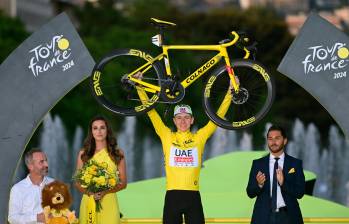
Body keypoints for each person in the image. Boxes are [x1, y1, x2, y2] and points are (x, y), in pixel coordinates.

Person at [136, 74, 232, 224]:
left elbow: (218, 117)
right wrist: (139, 86)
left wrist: (230, 92)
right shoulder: (167, 135)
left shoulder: (199, 137)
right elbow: (151, 112)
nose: (183, 121)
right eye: (179, 117)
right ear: (174, 121)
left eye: (186, 117)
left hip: (193, 196)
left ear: (192, 120)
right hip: (172, 196)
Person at [246, 125, 305, 224]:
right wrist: (259, 185)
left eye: (277, 138)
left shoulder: (295, 163)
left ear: (285, 141)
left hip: (288, 217)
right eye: (270, 139)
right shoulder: (258, 163)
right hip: (262, 217)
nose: (273, 142)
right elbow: (250, 193)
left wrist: (283, 183)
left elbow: (300, 192)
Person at [75, 115, 127, 224]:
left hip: (109, 202)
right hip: (89, 202)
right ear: (91, 132)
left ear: (107, 130)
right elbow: (77, 183)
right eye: (95, 128)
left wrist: (105, 191)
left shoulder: (118, 153)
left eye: (102, 127)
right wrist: (90, 193)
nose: (99, 131)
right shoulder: (83, 154)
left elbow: (123, 183)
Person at [8, 148, 54, 224]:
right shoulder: (17, 189)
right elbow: (12, 218)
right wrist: (36, 218)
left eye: (46, 161)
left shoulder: (54, 183)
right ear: (30, 166)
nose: (46, 165)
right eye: (41, 162)